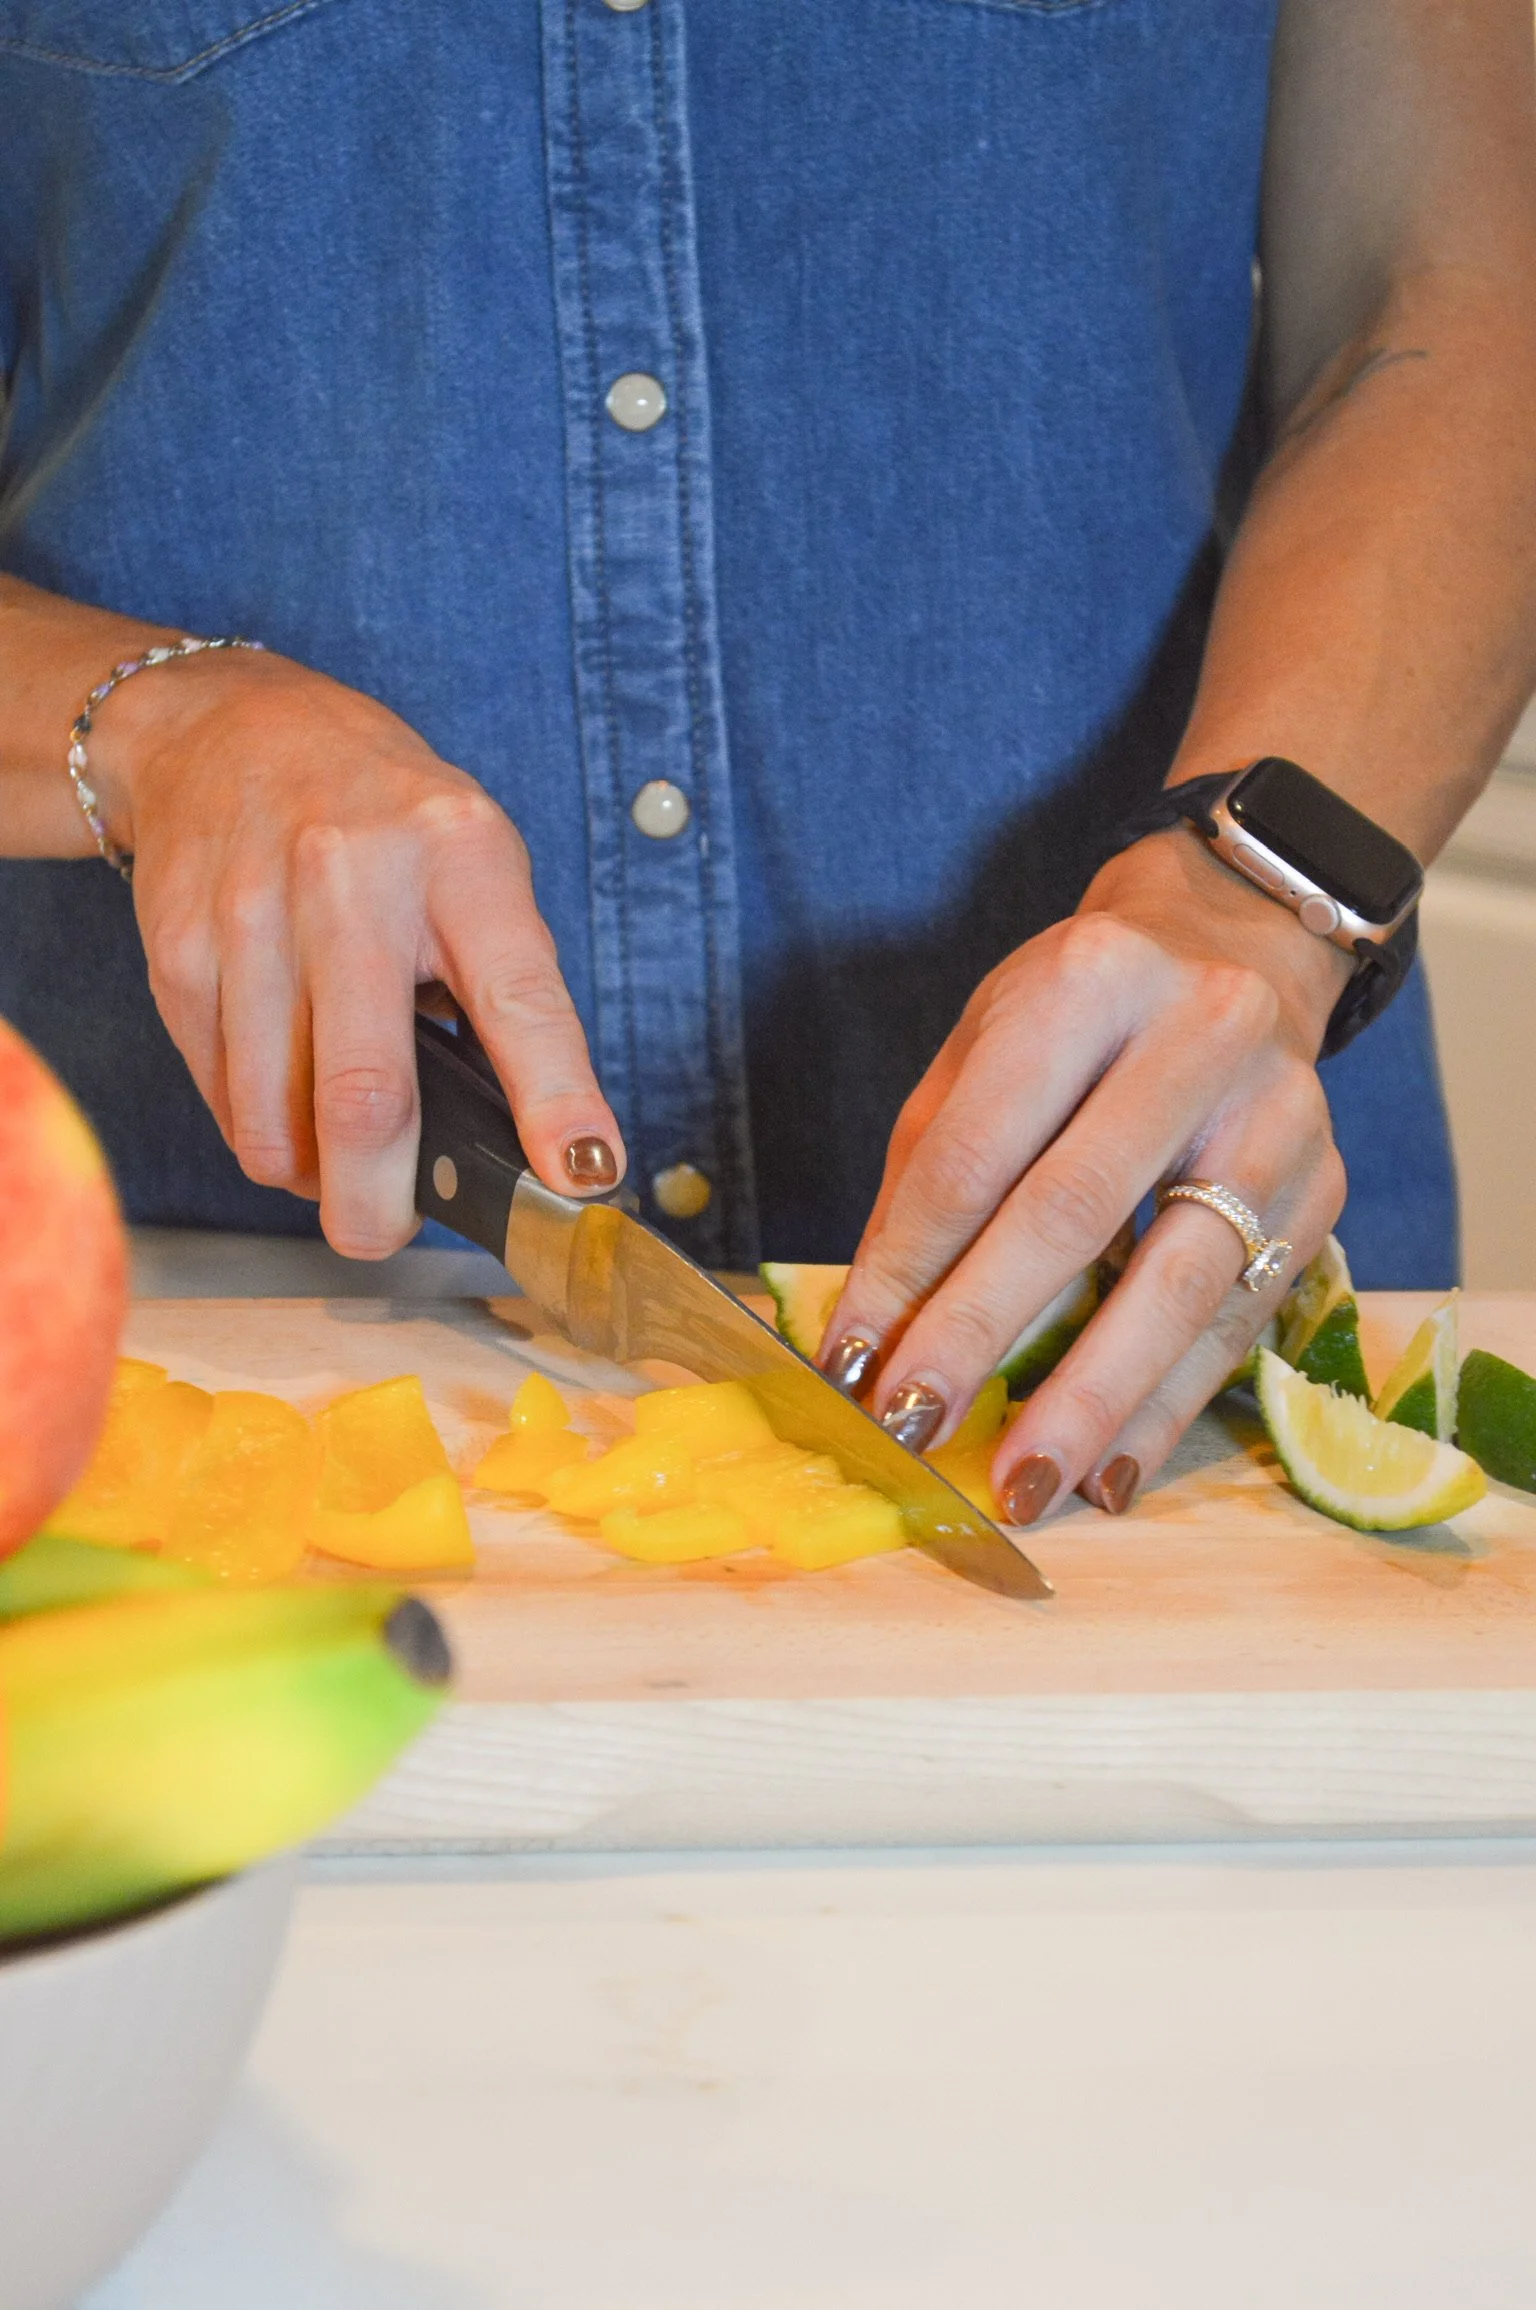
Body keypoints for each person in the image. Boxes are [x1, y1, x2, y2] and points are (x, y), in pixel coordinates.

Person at [2, 0, 1534, 1529]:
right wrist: (149, 717)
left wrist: (1259, 894)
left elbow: (1461, 295)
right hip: (179, 1334)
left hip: (1180, 1281)